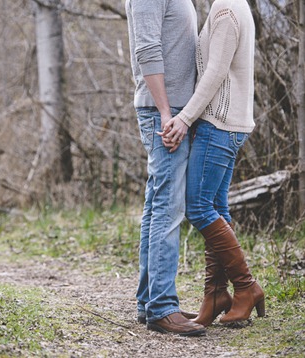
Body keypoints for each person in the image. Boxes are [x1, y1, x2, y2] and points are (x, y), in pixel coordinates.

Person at [161, 0, 265, 327]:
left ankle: (246, 287)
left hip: (218, 125)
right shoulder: (235, 5)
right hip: (228, 125)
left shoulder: (226, 10)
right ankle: (217, 294)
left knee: (199, 207)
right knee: (215, 208)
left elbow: (216, 72)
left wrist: (184, 118)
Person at [124, 0, 206, 336]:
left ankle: (150, 302)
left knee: (158, 205)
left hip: (175, 109)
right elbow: (147, 49)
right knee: (168, 209)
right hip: (166, 111)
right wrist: (165, 112)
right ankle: (161, 306)